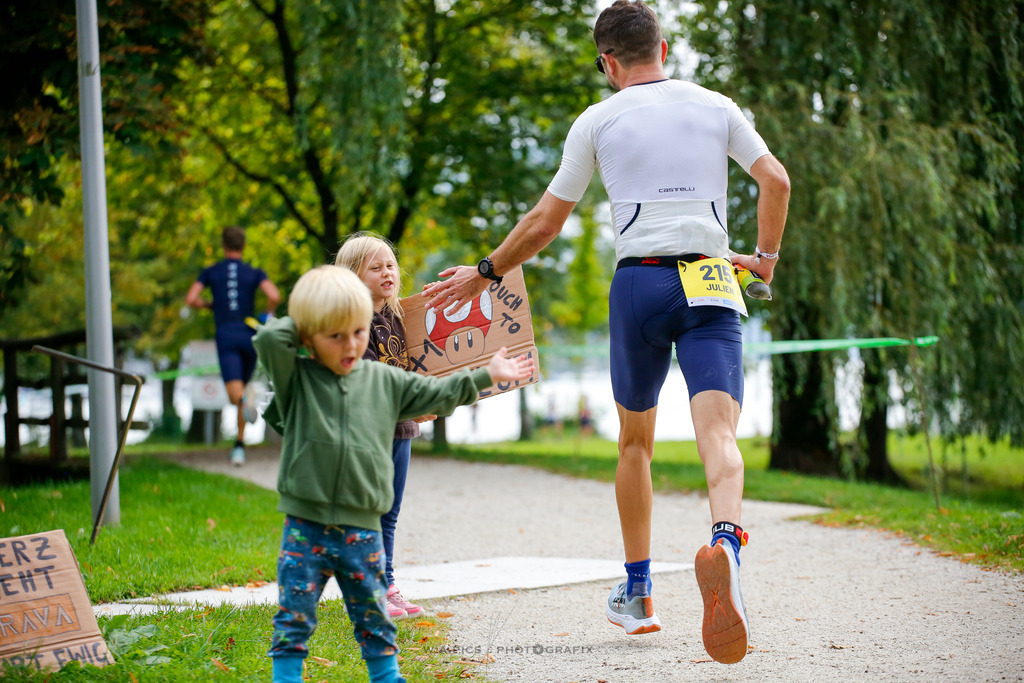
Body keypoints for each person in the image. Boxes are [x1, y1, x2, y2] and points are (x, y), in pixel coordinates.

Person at [421, 0, 790, 665]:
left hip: (640, 283)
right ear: (665, 48)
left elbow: (544, 222)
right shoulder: (717, 105)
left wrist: (484, 271)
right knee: (719, 433)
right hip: (710, 275)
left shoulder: (597, 119)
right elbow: (776, 180)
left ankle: (640, 591)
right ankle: (727, 543)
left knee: (635, 443)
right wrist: (763, 261)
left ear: (608, 62)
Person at [254, 265, 534, 683]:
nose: (350, 344)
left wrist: (484, 376)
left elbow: (436, 394)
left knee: (373, 615)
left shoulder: (383, 380)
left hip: (362, 530)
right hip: (305, 528)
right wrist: (313, 315)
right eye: (335, 335)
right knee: (294, 614)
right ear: (309, 337)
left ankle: (386, 677)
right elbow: (268, 338)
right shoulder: (298, 378)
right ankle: (287, 677)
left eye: (358, 331)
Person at [335, 232, 433, 620]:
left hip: (400, 430)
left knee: (389, 512)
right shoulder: (353, 323)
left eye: (390, 264)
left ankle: (386, 584)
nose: (386, 272)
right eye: (374, 268)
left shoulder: (399, 318)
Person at [185, 225, 280, 466]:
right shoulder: (254, 272)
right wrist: (266, 313)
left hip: (226, 334)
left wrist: (209, 305)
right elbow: (274, 295)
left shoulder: (211, 271)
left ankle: (242, 423)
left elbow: (191, 299)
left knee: (235, 395)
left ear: (223, 246)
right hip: (249, 333)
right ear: (243, 246)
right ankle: (238, 446)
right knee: (243, 392)